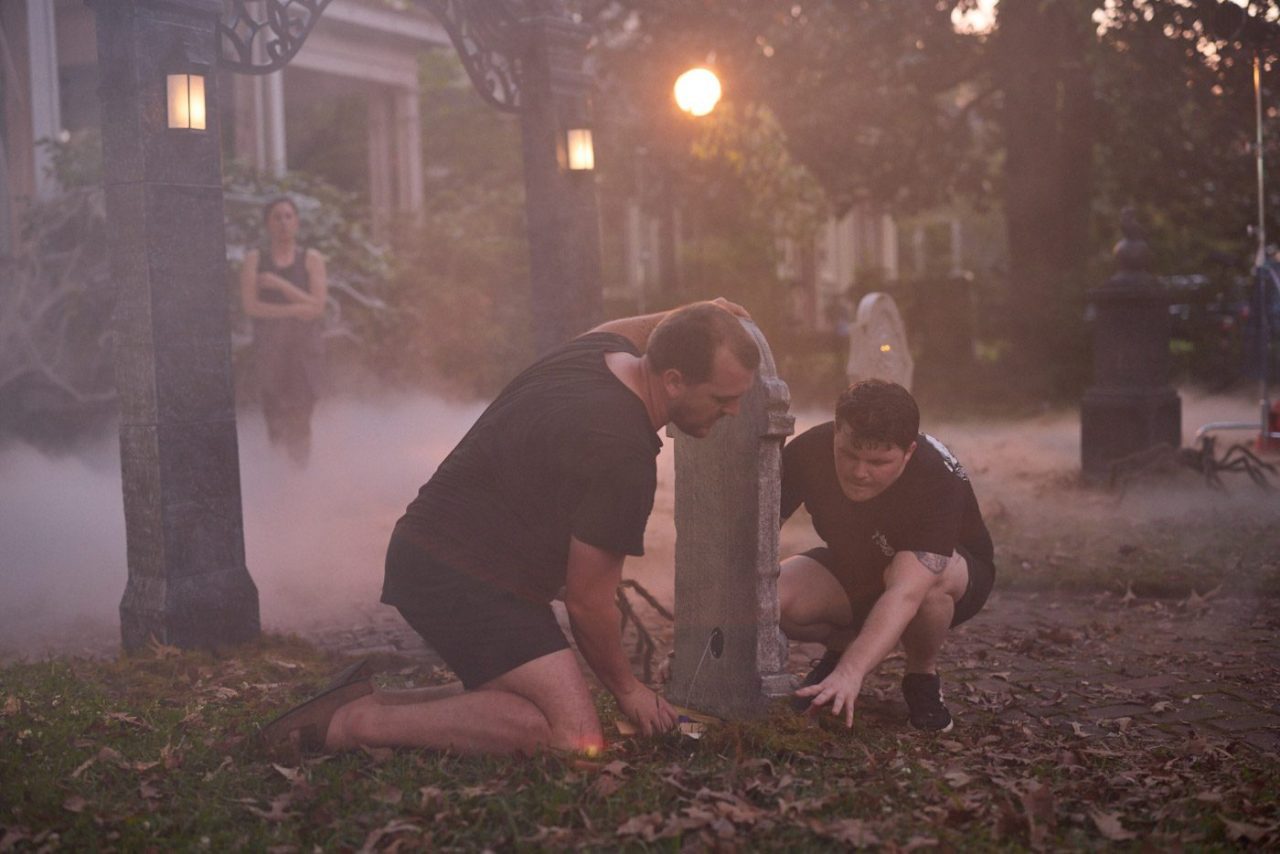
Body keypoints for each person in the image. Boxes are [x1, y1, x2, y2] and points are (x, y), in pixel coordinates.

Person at [261, 300, 759, 756]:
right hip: (461, 578)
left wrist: (699, 309)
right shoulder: (625, 455)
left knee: (520, 697)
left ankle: (375, 701)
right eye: (722, 399)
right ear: (673, 381)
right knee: (573, 736)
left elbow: (637, 329)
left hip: (434, 554)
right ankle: (356, 724)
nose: (732, 411)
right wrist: (629, 690)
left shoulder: (597, 351)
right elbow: (588, 603)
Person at [779, 379, 995, 732]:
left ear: (908, 452)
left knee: (930, 581)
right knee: (768, 596)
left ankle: (921, 677)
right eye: (849, 454)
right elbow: (752, 538)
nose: (860, 472)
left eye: (878, 461)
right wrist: (703, 637)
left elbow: (904, 593)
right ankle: (848, 649)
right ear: (836, 433)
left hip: (946, 577)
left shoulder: (937, 478)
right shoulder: (809, 448)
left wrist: (853, 676)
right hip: (857, 563)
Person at [239, 196, 328, 465]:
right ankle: (277, 482)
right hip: (270, 351)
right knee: (275, 417)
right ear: (267, 224)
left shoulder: (311, 259)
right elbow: (251, 307)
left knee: (301, 418)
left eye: (289, 216)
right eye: (277, 217)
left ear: (297, 222)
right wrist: (295, 309)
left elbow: (318, 307)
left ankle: (300, 481)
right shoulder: (255, 260)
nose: (283, 223)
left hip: (304, 353)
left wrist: (279, 284)